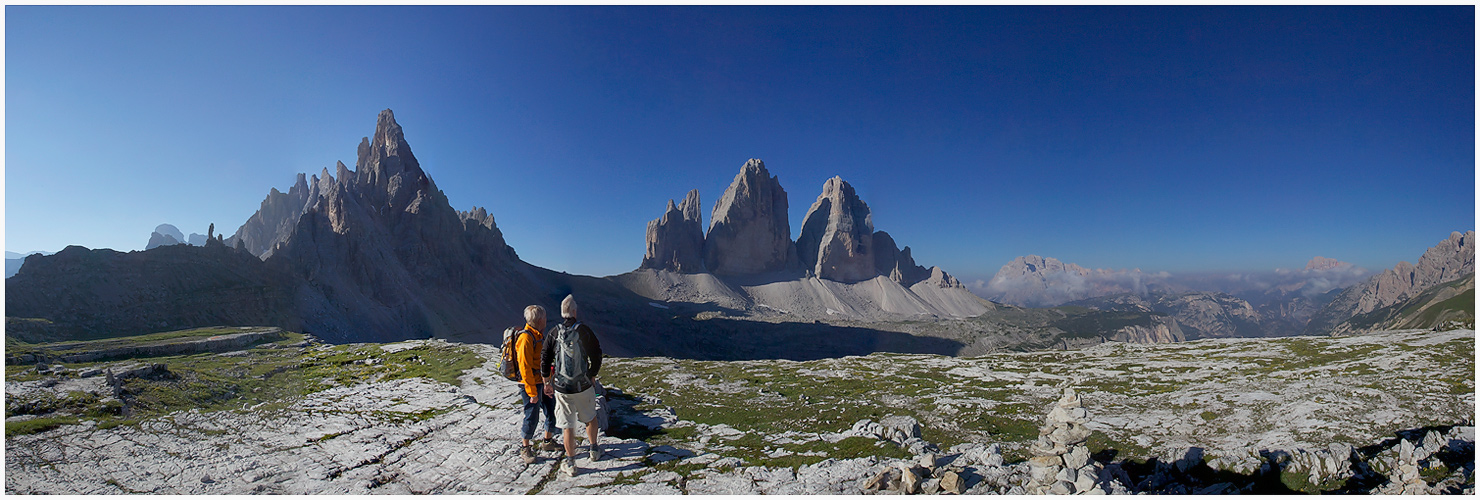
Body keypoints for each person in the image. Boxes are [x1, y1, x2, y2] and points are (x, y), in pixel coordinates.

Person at [541, 294, 604, 478]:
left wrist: (546, 381)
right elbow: (596, 353)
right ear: (574, 311)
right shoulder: (583, 330)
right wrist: (592, 375)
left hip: (562, 388)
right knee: (590, 417)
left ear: (562, 313)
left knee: (567, 425)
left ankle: (571, 463)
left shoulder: (554, 332)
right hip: (583, 385)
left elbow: (545, 357)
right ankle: (594, 450)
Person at [516, 305, 560, 464]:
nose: (546, 320)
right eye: (545, 318)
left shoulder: (538, 335)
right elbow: (525, 368)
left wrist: (548, 381)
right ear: (540, 320)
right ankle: (525, 447)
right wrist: (532, 393)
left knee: (551, 409)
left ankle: (547, 442)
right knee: (531, 416)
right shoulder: (526, 338)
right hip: (530, 385)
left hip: (542, 382)